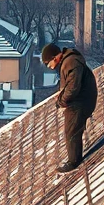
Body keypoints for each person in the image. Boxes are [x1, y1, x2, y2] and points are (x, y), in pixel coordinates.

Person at [42, 43, 98, 173]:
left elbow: (72, 89)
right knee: (71, 128)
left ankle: (73, 162)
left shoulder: (70, 62)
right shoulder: (69, 60)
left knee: (71, 130)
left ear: (54, 58)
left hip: (81, 101)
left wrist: (61, 101)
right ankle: (74, 159)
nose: (49, 67)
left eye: (48, 63)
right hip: (81, 99)